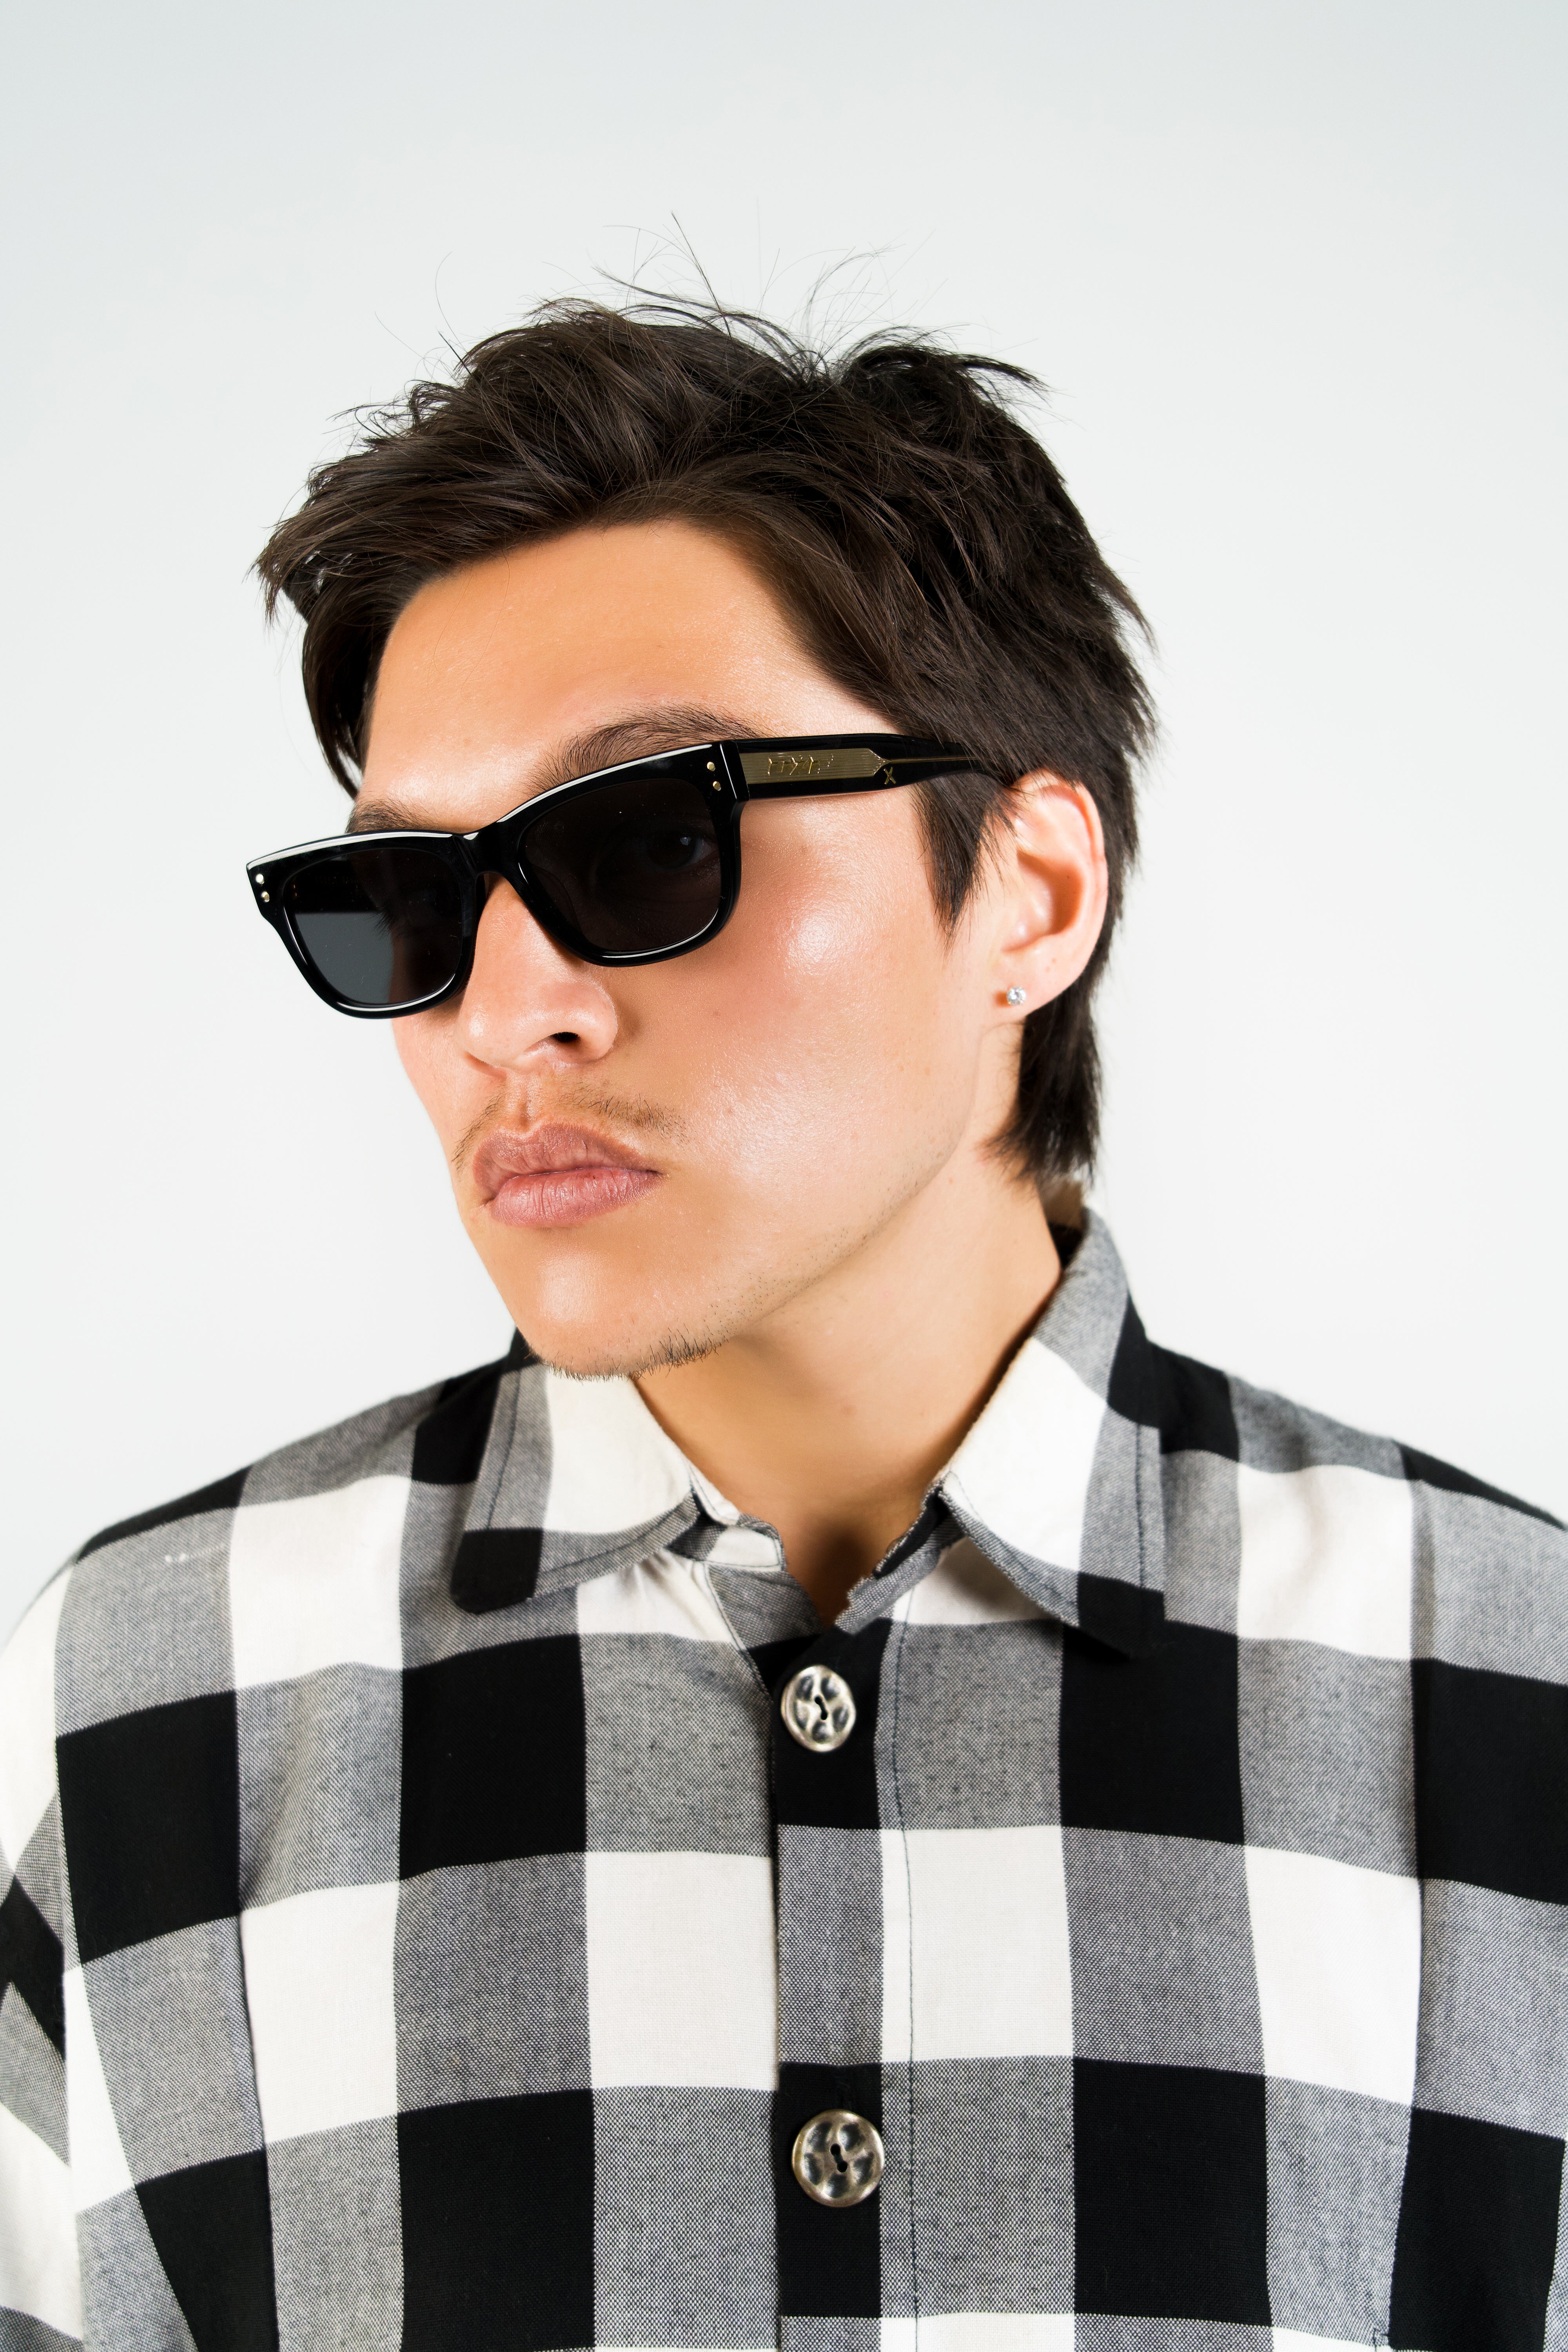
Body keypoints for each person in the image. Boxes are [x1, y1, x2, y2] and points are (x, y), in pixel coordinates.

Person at [1, 299, 1562, 2352]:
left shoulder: (1515, 1692)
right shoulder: (140, 1696)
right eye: (413, 903)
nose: (507, 1014)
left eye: (651, 841)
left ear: (1030, 891)